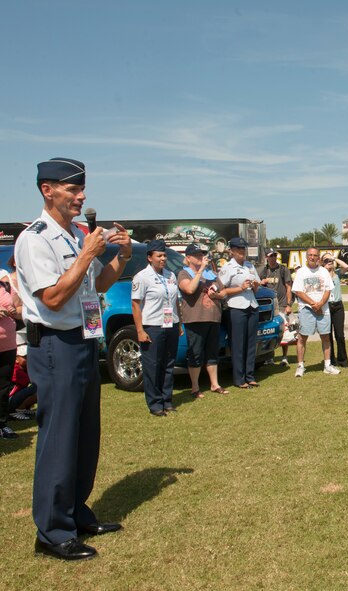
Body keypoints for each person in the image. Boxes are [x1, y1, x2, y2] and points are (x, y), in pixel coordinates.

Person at [15, 157, 132, 560]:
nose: (81, 196)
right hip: (54, 346)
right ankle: (51, 532)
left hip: (84, 339)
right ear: (47, 190)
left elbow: (97, 283)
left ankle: (76, 511)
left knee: (85, 435)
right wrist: (85, 254)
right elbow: (51, 297)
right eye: (72, 189)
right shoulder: (36, 239)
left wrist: (120, 257)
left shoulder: (72, 236)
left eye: (82, 189)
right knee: (59, 438)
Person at [132, 239, 181, 415]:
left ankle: (167, 400)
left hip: (171, 324)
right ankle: (155, 403)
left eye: (164, 255)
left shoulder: (170, 275)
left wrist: (179, 323)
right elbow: (136, 305)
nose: (163, 258)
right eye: (159, 255)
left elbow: (175, 300)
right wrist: (140, 330)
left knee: (168, 364)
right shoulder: (142, 277)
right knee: (153, 365)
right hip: (152, 326)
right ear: (149, 257)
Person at [178, 243, 228, 397]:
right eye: (197, 255)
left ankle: (215, 384)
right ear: (188, 258)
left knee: (212, 352)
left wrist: (218, 295)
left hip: (213, 318)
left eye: (202, 254)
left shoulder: (211, 273)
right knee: (196, 353)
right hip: (195, 319)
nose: (201, 257)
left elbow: (224, 291)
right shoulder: (183, 273)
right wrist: (199, 272)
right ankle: (195, 387)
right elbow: (189, 289)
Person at [218, 237, 261, 389]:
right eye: (239, 249)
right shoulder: (227, 268)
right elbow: (221, 291)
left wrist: (256, 285)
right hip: (236, 307)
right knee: (237, 344)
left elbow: (257, 287)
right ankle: (238, 378)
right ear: (232, 251)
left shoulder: (250, 266)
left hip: (251, 305)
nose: (242, 252)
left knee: (250, 343)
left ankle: (250, 375)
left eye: (243, 249)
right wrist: (240, 288)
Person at [292, 246, 340, 377]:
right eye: (310, 255)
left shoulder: (324, 271)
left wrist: (320, 304)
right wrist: (313, 304)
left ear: (319, 257)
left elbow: (328, 289)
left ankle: (327, 365)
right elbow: (298, 291)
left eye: (315, 255)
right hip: (306, 309)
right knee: (302, 337)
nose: (313, 257)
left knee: (325, 337)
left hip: (323, 309)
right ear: (307, 257)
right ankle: (301, 366)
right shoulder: (301, 272)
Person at [259, 248, 293, 366]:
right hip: (269, 306)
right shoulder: (263, 271)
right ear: (266, 257)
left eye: (274, 255)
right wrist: (261, 282)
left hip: (282, 303)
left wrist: (289, 304)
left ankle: (284, 357)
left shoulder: (283, 269)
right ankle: (269, 357)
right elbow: (258, 287)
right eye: (271, 255)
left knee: (285, 331)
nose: (273, 257)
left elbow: (288, 287)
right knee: (269, 330)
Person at [324, 254, 348, 368]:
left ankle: (342, 360)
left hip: (338, 306)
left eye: (330, 260)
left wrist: (334, 259)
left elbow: (347, 267)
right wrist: (324, 268)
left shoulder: (338, 274)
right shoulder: (321, 275)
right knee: (328, 335)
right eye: (326, 260)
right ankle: (330, 360)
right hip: (326, 306)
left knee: (339, 334)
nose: (329, 262)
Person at [0, 273, 18, 437]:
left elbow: (17, 309)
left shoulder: (4, 286)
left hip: (8, 344)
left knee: (4, 386)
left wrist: (13, 310)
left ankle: (2, 424)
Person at [8, 343, 36, 419]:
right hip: (8, 402)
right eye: (25, 357)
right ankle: (17, 411)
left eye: (29, 356)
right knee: (38, 387)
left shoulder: (24, 368)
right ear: (16, 359)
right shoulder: (16, 370)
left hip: (10, 400)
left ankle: (24, 408)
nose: (28, 359)